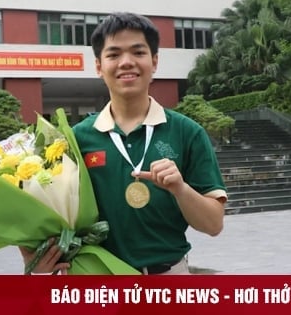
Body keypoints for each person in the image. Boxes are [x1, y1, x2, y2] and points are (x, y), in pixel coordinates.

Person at [19, 12, 227, 275]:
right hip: (97, 281)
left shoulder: (188, 133)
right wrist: (32, 254)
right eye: (114, 54)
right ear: (98, 66)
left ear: (154, 61)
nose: (126, 62)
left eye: (138, 52)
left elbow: (213, 224)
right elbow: (45, 211)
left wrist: (180, 189)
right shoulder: (75, 139)